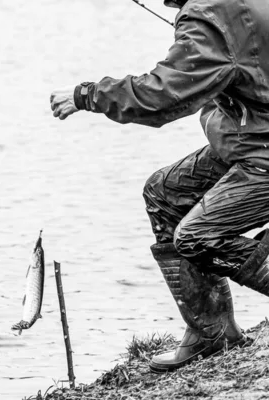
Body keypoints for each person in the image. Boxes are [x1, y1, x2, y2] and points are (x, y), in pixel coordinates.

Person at [50, 0, 269, 372]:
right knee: (164, 193)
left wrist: (87, 95)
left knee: (196, 237)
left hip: (262, 151)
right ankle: (212, 333)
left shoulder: (210, 14)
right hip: (249, 136)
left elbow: (162, 96)